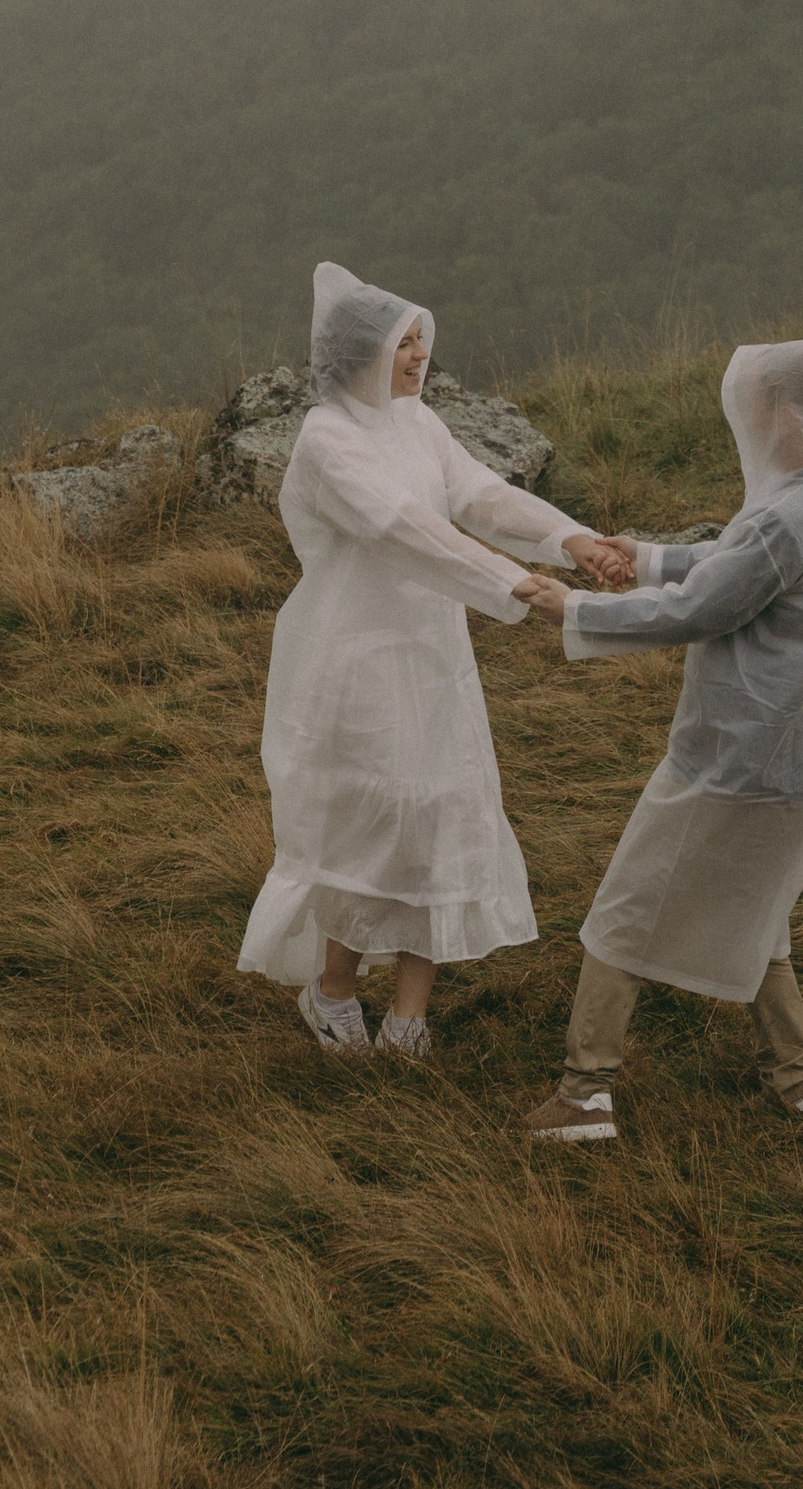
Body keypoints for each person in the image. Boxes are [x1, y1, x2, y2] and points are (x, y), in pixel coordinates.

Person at [237, 262, 636, 1060]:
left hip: (431, 655)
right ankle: (334, 990)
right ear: (357, 355)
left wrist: (571, 540)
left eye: (422, 338)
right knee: (376, 824)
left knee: (444, 817)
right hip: (356, 662)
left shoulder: (417, 422)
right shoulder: (326, 441)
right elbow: (406, 530)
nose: (420, 355)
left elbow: (480, 495)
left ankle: (410, 1017)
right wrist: (515, 582)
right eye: (403, 342)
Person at [523, 332, 803, 1145]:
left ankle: (585, 1095)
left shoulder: (790, 517)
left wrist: (575, 610)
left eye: (758, 410)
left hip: (733, 758)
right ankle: (798, 1091)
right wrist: (647, 557)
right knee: (758, 913)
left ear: (787, 413)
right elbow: (742, 562)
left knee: (624, 913)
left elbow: (705, 605)